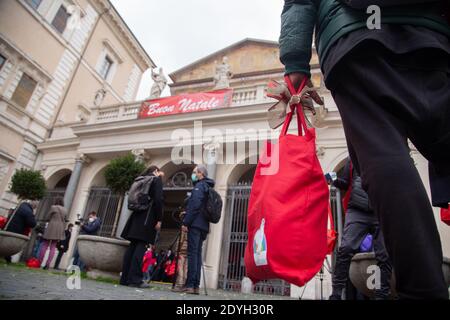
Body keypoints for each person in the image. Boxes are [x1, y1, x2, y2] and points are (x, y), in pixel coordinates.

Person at [279, 0, 449, 299]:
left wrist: (295, 63)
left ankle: (424, 291)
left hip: (354, 32)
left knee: (384, 158)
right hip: (430, 29)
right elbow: (344, 182)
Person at [327, 158, 392, 300]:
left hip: (380, 210)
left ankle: (382, 295)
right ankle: (336, 293)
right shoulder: (353, 159)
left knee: (384, 254)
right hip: (357, 211)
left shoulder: (385, 153)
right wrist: (333, 180)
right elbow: (344, 182)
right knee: (346, 248)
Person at [120, 165, 164, 288]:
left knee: (132, 247)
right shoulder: (155, 180)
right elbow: (158, 200)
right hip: (147, 218)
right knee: (140, 248)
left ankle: (124, 279)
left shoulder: (141, 179)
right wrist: (159, 219)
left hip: (136, 217)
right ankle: (135, 280)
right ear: (156, 171)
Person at [182, 164, 214, 295]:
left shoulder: (199, 186)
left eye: (195, 172)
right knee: (197, 254)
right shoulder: (208, 186)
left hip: (195, 224)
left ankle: (190, 284)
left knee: (192, 254)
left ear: (201, 173)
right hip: (204, 226)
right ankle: (195, 286)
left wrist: (186, 222)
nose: (193, 174)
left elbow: (195, 206)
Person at [38, 197, 67, 270]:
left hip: (52, 226)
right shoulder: (65, 209)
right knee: (53, 246)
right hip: (60, 227)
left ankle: (39, 262)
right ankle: (47, 265)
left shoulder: (53, 207)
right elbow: (66, 219)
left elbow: (47, 217)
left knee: (45, 244)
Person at [172, 211, 189, 292]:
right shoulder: (191, 226)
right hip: (189, 248)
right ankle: (185, 283)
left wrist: (176, 250)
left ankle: (179, 284)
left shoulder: (183, 226)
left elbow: (181, 239)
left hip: (182, 249)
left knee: (180, 267)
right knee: (186, 267)